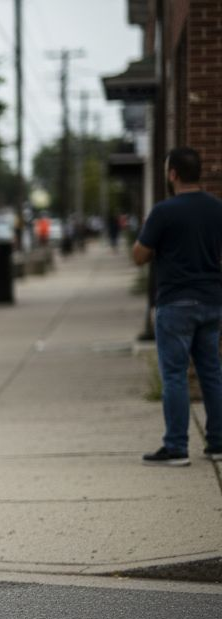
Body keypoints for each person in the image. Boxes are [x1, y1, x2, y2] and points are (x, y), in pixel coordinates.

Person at [133, 147, 222, 467]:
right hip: (212, 301)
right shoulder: (216, 208)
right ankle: (218, 442)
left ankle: (176, 447)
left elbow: (139, 256)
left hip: (175, 302)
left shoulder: (164, 212)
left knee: (174, 375)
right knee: (212, 373)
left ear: (173, 174)